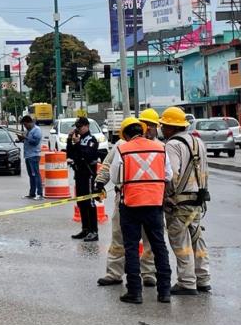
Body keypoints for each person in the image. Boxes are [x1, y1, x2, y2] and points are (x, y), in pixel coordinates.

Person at [93, 108, 161, 287]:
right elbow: (108, 166)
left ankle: (149, 274)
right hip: (126, 197)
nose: (151, 129)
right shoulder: (122, 145)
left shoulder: (159, 147)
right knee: (119, 237)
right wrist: (100, 183)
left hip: (150, 199)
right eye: (149, 125)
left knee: (149, 240)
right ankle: (114, 273)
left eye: (153, 126)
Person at [109, 117, 173, 304]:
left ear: (126, 135)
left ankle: (135, 292)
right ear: (143, 131)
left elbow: (115, 178)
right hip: (154, 204)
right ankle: (165, 292)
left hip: (131, 203)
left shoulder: (123, 149)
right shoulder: (160, 148)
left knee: (131, 247)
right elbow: (168, 174)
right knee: (159, 246)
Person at [160, 106, 212, 296]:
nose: (162, 129)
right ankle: (203, 278)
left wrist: (167, 196)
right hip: (197, 199)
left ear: (170, 127)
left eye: (164, 126)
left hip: (179, 202)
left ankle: (187, 282)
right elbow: (204, 171)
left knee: (180, 241)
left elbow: (172, 174)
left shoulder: (173, 145)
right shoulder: (198, 142)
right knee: (197, 239)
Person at [66, 117, 100, 242]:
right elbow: (70, 154)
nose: (78, 130)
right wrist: (70, 140)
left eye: (80, 127)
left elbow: (87, 155)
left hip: (89, 174)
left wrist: (78, 143)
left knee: (89, 202)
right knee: (81, 202)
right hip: (79, 174)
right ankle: (85, 229)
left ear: (86, 126)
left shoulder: (91, 140)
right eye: (77, 127)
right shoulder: (78, 139)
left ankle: (94, 231)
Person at [21, 115, 43, 199]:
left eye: (25, 124)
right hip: (28, 155)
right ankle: (32, 193)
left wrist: (25, 138)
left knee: (36, 174)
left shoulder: (36, 130)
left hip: (34, 155)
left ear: (29, 122)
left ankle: (39, 193)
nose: (25, 126)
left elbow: (35, 142)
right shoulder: (28, 130)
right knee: (31, 175)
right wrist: (21, 139)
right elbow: (26, 141)